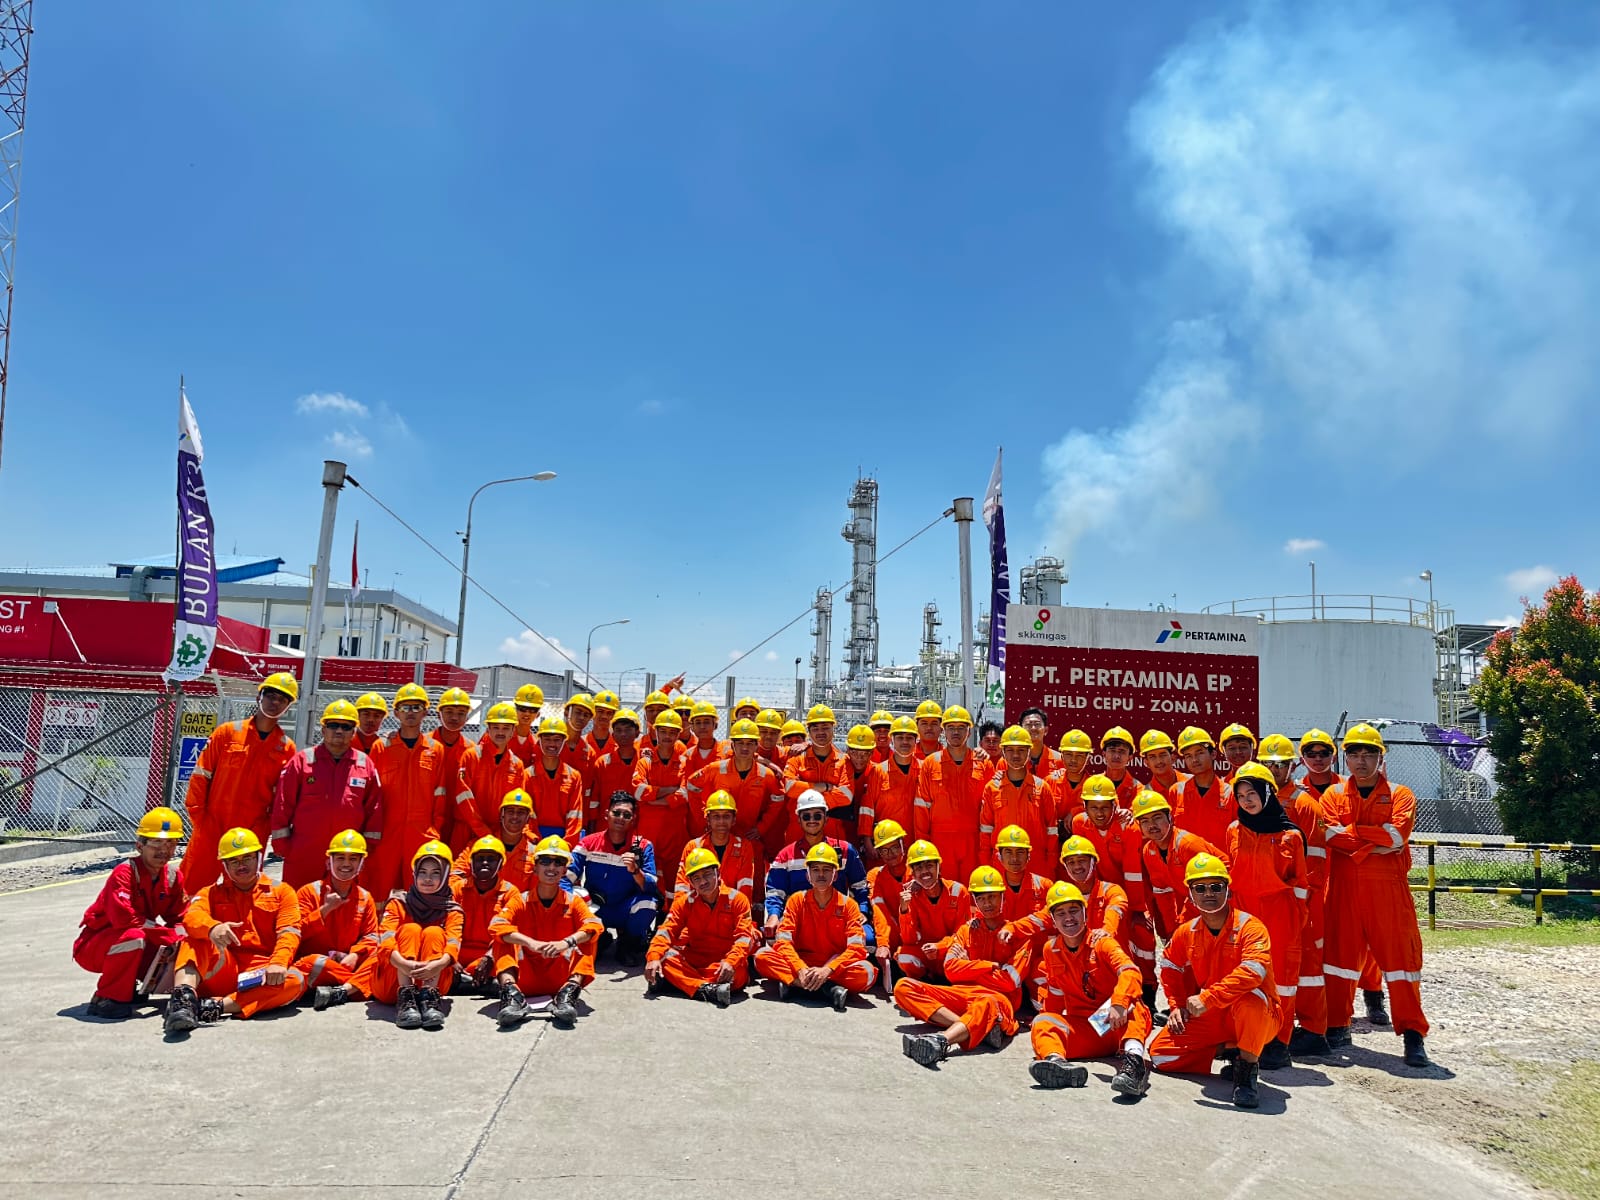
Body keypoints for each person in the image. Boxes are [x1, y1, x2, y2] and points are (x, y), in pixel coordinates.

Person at [1321, 723, 1432, 1068]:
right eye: (1355, 754)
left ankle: (1413, 1035)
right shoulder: (1332, 796)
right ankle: (1337, 1026)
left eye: (1369, 753)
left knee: (1401, 964)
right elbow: (1329, 836)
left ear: (1381, 757)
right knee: (1338, 962)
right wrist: (1375, 842)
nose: (1362, 760)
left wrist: (1353, 838)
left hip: (1388, 893)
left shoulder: (1401, 794)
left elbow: (1397, 836)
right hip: (1344, 890)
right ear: (1346, 759)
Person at [1147, 854, 1281, 1109]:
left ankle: (1246, 1073)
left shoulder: (1250, 927)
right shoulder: (1187, 931)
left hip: (1259, 1013)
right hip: (1214, 1013)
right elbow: (1169, 965)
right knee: (1161, 1056)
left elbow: (1253, 973)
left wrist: (1207, 998)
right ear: (1190, 894)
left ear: (1227, 890)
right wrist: (1176, 1006)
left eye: (1216, 887)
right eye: (1200, 888)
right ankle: (1232, 1050)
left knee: (1250, 1001)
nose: (1208, 893)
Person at [163, 828, 304, 1034]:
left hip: (262, 972)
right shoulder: (210, 892)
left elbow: (289, 932)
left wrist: (278, 962)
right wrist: (212, 928)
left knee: (296, 980)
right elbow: (191, 918)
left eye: (247, 857)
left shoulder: (282, 892)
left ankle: (215, 1007)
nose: (242, 865)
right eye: (234, 860)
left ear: (259, 858)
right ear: (225, 865)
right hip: (223, 967)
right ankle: (182, 1001)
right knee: (194, 939)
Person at [1027, 881, 1153, 1096]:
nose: (1069, 918)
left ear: (1085, 913)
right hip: (1090, 1027)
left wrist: (1119, 1003)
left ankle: (1134, 1067)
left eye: (1074, 910)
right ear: (1053, 921)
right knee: (1042, 1022)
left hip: (1118, 1018)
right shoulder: (1051, 950)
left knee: (1135, 1005)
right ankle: (1057, 1064)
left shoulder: (1102, 942)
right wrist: (1050, 1032)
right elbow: (1055, 996)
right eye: (1061, 913)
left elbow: (1130, 971)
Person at [179, 672, 298, 894]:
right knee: (193, 886)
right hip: (212, 825)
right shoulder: (227, 733)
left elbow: (281, 798)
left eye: (282, 699)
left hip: (252, 832)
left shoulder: (286, 748)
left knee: (241, 890)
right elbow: (200, 775)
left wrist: (265, 829)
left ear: (288, 706)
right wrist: (200, 819)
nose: (275, 703)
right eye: (270, 695)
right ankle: (185, 928)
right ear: (259, 697)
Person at [1225, 761, 1308, 1069]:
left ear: (1268, 793)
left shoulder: (1291, 836)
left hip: (1279, 911)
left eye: (1252, 793)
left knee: (1283, 979)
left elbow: (1300, 884)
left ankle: (1279, 1041)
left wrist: (1296, 919)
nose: (1247, 800)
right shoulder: (1234, 830)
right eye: (1241, 794)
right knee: (1246, 974)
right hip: (1245, 911)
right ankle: (1249, 1038)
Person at [898, 866, 1025, 1067]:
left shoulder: (1019, 935)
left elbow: (1009, 982)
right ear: (975, 901)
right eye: (981, 898)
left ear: (1003, 898)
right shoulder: (967, 930)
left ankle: (940, 1041)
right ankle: (973, 1027)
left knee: (986, 1003)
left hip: (998, 1001)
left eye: (992, 897)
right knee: (904, 987)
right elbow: (950, 970)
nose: (987, 903)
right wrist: (989, 966)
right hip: (962, 993)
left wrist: (968, 968)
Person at [74, 806, 187, 1019]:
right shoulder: (124, 873)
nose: (164, 849)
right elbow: (126, 920)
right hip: (95, 946)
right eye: (156, 842)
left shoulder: (173, 877)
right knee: (135, 937)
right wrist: (167, 935)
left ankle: (129, 988)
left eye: (170, 843)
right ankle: (106, 998)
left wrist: (181, 939)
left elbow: (181, 917)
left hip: (134, 939)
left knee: (183, 944)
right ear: (139, 845)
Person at [1259, 733, 1333, 1056]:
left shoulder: (1304, 804)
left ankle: (1316, 1030)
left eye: (1280, 764)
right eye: (1268, 764)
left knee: (1308, 965)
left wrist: (1304, 899)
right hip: (1274, 899)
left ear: (1292, 765)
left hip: (1301, 897)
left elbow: (1315, 860)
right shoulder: (1261, 799)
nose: (1274, 770)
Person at [490, 835, 602, 1027]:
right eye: (545, 861)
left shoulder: (573, 901)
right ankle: (512, 997)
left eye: (558, 862)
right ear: (535, 867)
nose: (552, 867)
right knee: (500, 939)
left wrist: (565, 943)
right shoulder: (520, 900)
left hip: (560, 980)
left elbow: (594, 925)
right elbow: (496, 925)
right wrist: (530, 943)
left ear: (565, 870)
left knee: (589, 938)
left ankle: (567, 997)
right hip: (524, 978)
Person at [270, 699, 383, 890]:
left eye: (346, 726)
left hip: (347, 854)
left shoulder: (365, 764)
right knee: (298, 905)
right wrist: (283, 846)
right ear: (323, 730)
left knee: (342, 907)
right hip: (304, 853)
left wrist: (368, 846)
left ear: (353, 732)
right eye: (333, 725)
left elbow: (374, 808)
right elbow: (283, 804)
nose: (339, 731)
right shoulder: (302, 761)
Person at [351, 840, 462, 1030]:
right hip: (391, 983)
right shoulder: (398, 902)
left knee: (434, 932)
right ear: (414, 874)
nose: (428, 879)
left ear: (445, 876)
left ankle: (429, 999)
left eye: (436, 873)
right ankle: (406, 998)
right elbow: (385, 941)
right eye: (423, 872)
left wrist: (439, 964)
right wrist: (404, 964)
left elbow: (454, 944)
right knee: (410, 929)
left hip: (434, 977)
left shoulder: (452, 910)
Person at [752, 842, 876, 1009]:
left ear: (835, 875)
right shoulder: (796, 901)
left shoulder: (849, 906)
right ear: (808, 876)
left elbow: (856, 948)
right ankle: (827, 989)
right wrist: (801, 969)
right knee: (762, 957)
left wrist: (827, 970)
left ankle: (795, 986)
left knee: (866, 973)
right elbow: (783, 942)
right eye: (815, 870)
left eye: (826, 869)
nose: (821, 875)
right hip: (802, 963)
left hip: (834, 966)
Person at [645, 847, 759, 1007]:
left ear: (718, 872)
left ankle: (681, 983)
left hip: (723, 963)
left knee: (738, 974)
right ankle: (706, 989)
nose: (703, 882)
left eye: (707, 875)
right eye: (696, 878)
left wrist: (731, 962)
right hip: (694, 961)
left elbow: (744, 938)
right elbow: (666, 932)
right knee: (664, 959)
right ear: (690, 882)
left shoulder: (737, 900)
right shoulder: (684, 903)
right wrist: (653, 958)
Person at [365, 682, 449, 900]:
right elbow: (371, 792)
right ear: (395, 712)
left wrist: (434, 831)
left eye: (416, 707)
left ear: (425, 712)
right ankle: (376, 932)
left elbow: (440, 793)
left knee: (419, 889)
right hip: (386, 831)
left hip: (421, 832)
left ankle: (412, 930)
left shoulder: (435, 749)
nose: (410, 713)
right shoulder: (381, 747)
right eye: (405, 707)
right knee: (378, 888)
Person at [1069, 775, 1153, 989]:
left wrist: (1136, 910)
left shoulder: (1128, 827)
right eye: (1093, 807)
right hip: (1097, 892)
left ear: (1115, 806)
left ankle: (1147, 988)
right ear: (1085, 806)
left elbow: (1132, 872)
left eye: (1105, 807)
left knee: (1139, 938)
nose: (1099, 813)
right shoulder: (1080, 824)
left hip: (1127, 893)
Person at [764, 789, 873, 947]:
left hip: (837, 919)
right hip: (799, 920)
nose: (812, 820)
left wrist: (862, 911)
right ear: (799, 819)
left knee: (867, 939)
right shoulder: (785, 855)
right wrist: (774, 916)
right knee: (771, 945)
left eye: (817, 815)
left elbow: (860, 886)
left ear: (826, 818)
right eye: (806, 816)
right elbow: (775, 892)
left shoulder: (845, 850)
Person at [568, 793, 658, 967]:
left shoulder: (643, 846)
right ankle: (598, 938)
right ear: (606, 814)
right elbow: (566, 879)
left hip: (624, 908)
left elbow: (651, 886)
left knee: (649, 904)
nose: (621, 818)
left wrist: (635, 870)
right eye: (616, 813)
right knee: (571, 896)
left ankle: (627, 945)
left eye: (627, 815)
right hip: (595, 909)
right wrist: (579, 902)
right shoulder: (588, 843)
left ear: (633, 820)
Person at [295, 830, 380, 1010]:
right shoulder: (308, 892)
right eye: (340, 858)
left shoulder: (365, 897)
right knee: (316, 962)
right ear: (328, 862)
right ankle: (357, 987)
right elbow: (295, 933)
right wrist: (325, 910)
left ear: (361, 865)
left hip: (348, 963)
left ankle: (341, 991)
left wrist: (355, 955)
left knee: (383, 954)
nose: (346, 864)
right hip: (317, 966)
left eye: (353, 859)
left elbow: (372, 936)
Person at [1131, 788, 1227, 945]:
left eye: (1157, 818)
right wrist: (1171, 929)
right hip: (1202, 903)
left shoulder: (1187, 845)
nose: (1152, 825)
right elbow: (1163, 893)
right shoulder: (1149, 851)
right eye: (1145, 821)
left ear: (1170, 817)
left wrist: (1181, 924)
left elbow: (1206, 889)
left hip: (1225, 900)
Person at [684, 718, 787, 848]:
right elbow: (692, 785)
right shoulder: (715, 769)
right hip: (718, 835)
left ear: (756, 746)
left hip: (748, 838)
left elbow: (778, 798)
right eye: (740, 743)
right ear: (733, 745)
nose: (745, 747)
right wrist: (704, 820)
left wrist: (762, 827)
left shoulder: (765, 774)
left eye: (750, 743)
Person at [914, 705, 985, 885]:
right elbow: (922, 807)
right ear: (943, 731)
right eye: (951, 728)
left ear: (969, 732)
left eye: (961, 728)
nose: (956, 732)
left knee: (974, 889)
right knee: (945, 888)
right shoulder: (931, 764)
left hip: (973, 840)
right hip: (940, 840)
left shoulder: (983, 763)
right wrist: (923, 846)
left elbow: (989, 808)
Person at [978, 726, 1060, 876]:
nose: (1016, 755)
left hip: (1037, 863)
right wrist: (986, 863)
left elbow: (1052, 830)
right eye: (1010, 750)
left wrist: (1051, 863)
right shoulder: (992, 788)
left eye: (1021, 750)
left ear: (1029, 752)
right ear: (1003, 752)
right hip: (1002, 863)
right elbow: (985, 829)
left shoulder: (1042, 788)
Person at [450, 835, 518, 1003]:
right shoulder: (457, 889)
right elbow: (446, 927)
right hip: (458, 955)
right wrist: (450, 958)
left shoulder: (510, 893)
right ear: (471, 863)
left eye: (491, 859)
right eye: (480, 858)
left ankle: (465, 983)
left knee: (510, 955)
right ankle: (481, 984)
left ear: (501, 863)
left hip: (490, 956)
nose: (485, 863)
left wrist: (490, 957)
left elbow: (509, 933)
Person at [454, 703, 530, 851]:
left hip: (497, 832)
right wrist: (482, 830)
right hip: (466, 829)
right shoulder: (471, 756)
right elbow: (463, 797)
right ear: (488, 729)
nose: (500, 732)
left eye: (506, 728)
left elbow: (517, 805)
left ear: (513, 731)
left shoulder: (516, 765)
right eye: (496, 727)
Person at [895, 840, 973, 982]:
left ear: (939, 866)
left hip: (949, 952)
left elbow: (963, 935)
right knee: (904, 956)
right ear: (912, 873)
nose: (924, 871)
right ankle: (925, 982)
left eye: (929, 865)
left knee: (963, 954)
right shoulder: (911, 896)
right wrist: (904, 910)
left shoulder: (959, 891)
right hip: (926, 954)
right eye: (918, 868)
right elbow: (909, 940)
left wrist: (940, 947)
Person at [633, 709, 691, 898]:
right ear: (655, 731)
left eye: (672, 732)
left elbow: (684, 794)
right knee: (646, 876)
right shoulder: (645, 762)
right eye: (663, 731)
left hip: (675, 834)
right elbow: (638, 791)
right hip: (647, 833)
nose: (667, 736)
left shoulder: (684, 763)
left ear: (678, 734)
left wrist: (653, 797)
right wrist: (667, 791)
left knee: (674, 882)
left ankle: (667, 917)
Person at [782, 704, 855, 845]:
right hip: (798, 834)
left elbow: (846, 796)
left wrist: (805, 794)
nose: (820, 732)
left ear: (834, 729)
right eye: (815, 728)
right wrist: (825, 787)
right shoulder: (797, 759)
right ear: (809, 732)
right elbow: (790, 788)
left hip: (833, 835)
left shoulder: (844, 761)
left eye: (825, 728)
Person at [675, 789, 760, 903]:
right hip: (698, 912)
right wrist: (682, 914)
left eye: (726, 816)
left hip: (730, 911)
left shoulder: (744, 847)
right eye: (716, 816)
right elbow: (682, 887)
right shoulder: (693, 847)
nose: (721, 821)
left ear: (734, 819)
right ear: (708, 820)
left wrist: (739, 913)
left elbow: (745, 888)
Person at [452, 788, 536, 893]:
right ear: (502, 815)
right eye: (510, 811)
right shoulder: (478, 846)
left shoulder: (534, 853)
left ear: (528, 818)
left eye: (521, 812)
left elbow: (536, 893)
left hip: (516, 907)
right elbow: (455, 876)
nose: (515, 816)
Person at [519, 714, 584, 843]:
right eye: (547, 739)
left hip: (563, 838)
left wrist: (567, 844)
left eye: (557, 739)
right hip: (533, 838)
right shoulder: (527, 775)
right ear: (540, 741)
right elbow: (524, 812)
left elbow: (575, 814)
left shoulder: (574, 776)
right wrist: (533, 839)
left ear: (563, 742)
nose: (552, 744)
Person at [1169, 726, 1236, 849]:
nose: (1194, 760)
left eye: (1199, 753)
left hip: (1219, 866)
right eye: (1188, 756)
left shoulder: (1231, 793)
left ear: (1213, 754)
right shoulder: (1176, 791)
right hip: (1185, 866)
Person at [860, 716, 919, 850]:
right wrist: (867, 839)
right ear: (892, 740)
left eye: (909, 738)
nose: (905, 742)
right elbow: (867, 807)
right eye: (900, 738)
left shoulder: (924, 770)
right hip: (885, 842)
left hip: (915, 840)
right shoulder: (878, 771)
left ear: (916, 740)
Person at [428, 687, 475, 851]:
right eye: (449, 711)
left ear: (467, 717)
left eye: (461, 713)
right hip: (428, 821)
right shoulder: (424, 745)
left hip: (459, 824)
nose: (455, 717)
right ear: (438, 714)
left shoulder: (471, 751)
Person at [866, 819, 910, 983]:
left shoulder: (916, 871)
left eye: (894, 847)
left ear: (902, 845)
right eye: (884, 850)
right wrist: (883, 944)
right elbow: (879, 911)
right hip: (889, 932)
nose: (890, 854)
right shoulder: (874, 876)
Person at [590, 708, 645, 832]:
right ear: (613, 735)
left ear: (637, 733)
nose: (623, 734)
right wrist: (592, 830)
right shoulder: (602, 763)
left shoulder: (645, 762)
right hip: (605, 828)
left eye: (628, 730)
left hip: (637, 828)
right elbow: (594, 801)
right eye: (619, 730)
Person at [1047, 729, 1093, 819]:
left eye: (1079, 755)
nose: (1073, 760)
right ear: (1061, 757)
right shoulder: (1049, 782)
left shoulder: (1094, 786)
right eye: (1068, 754)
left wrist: (1076, 812)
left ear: (1088, 758)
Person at [1098, 727, 1141, 808]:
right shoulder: (1093, 784)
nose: (1117, 756)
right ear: (1104, 754)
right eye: (1112, 750)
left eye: (1122, 751)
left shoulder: (1138, 789)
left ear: (1130, 757)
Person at [683, 700, 728, 775]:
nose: (702, 726)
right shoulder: (687, 756)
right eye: (698, 723)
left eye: (706, 722)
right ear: (692, 727)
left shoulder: (727, 753)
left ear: (715, 726)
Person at [508, 683, 546, 766]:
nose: (527, 713)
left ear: (538, 714)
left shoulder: (537, 745)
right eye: (523, 709)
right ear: (515, 710)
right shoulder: (500, 737)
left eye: (532, 710)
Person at [1140, 729, 1187, 797]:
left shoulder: (1192, 782)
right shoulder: (1144, 796)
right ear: (1146, 763)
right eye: (1152, 757)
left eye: (1162, 755)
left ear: (1173, 758)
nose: (1159, 761)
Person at [1017, 708, 1060, 778]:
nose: (1033, 728)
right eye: (1028, 725)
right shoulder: (1010, 760)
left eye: (1037, 724)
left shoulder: (1059, 760)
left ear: (1046, 730)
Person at [585, 690, 622, 758]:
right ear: (592, 712)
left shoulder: (620, 746)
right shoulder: (581, 743)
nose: (604, 716)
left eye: (609, 713)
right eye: (600, 711)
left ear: (614, 716)